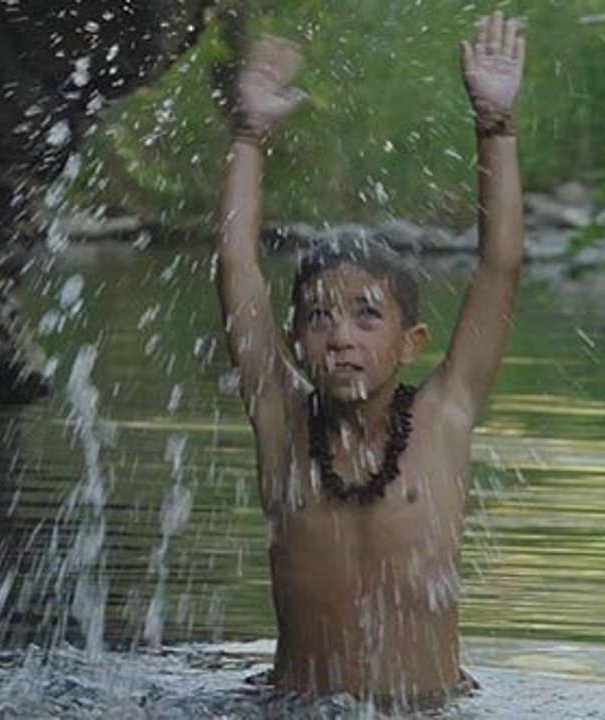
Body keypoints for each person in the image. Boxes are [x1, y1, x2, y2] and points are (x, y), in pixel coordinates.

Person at [214, 11, 525, 711]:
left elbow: (500, 267)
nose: (341, 337)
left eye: (366, 316)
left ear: (411, 342)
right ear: (295, 341)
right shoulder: (279, 419)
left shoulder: (446, 417)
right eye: (319, 318)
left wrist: (495, 127)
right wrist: (249, 134)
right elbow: (237, 266)